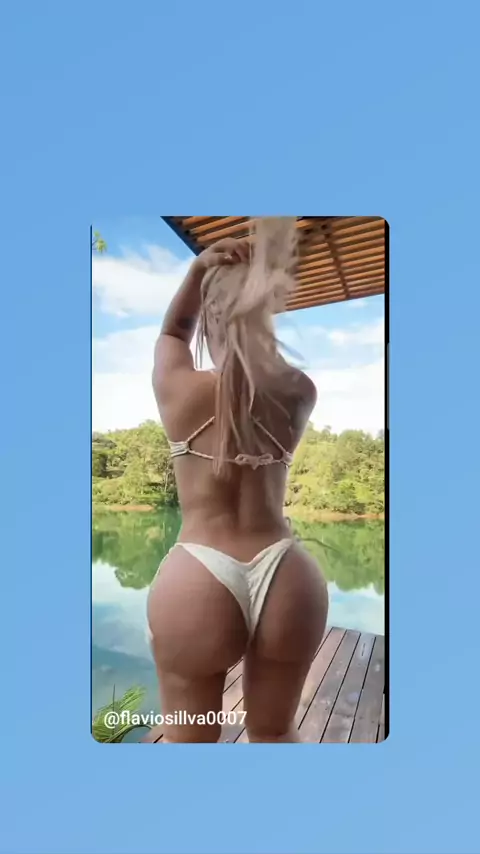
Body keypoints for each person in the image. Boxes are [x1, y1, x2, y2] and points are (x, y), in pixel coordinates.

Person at [148, 218, 328, 743]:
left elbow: (172, 333)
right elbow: (261, 369)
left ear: (210, 318)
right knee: (275, 734)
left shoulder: (179, 388)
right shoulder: (300, 392)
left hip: (199, 573)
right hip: (286, 572)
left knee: (189, 743)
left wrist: (198, 271)